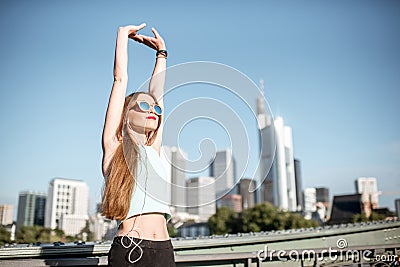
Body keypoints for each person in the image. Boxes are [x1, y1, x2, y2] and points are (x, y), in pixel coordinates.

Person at [101, 23, 175, 266]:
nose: (152, 110)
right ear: (126, 115)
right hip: (130, 250)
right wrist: (122, 35)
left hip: (164, 249)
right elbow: (119, 79)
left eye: (154, 108)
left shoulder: (154, 150)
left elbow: (158, 94)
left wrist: (161, 53)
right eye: (143, 106)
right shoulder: (115, 147)